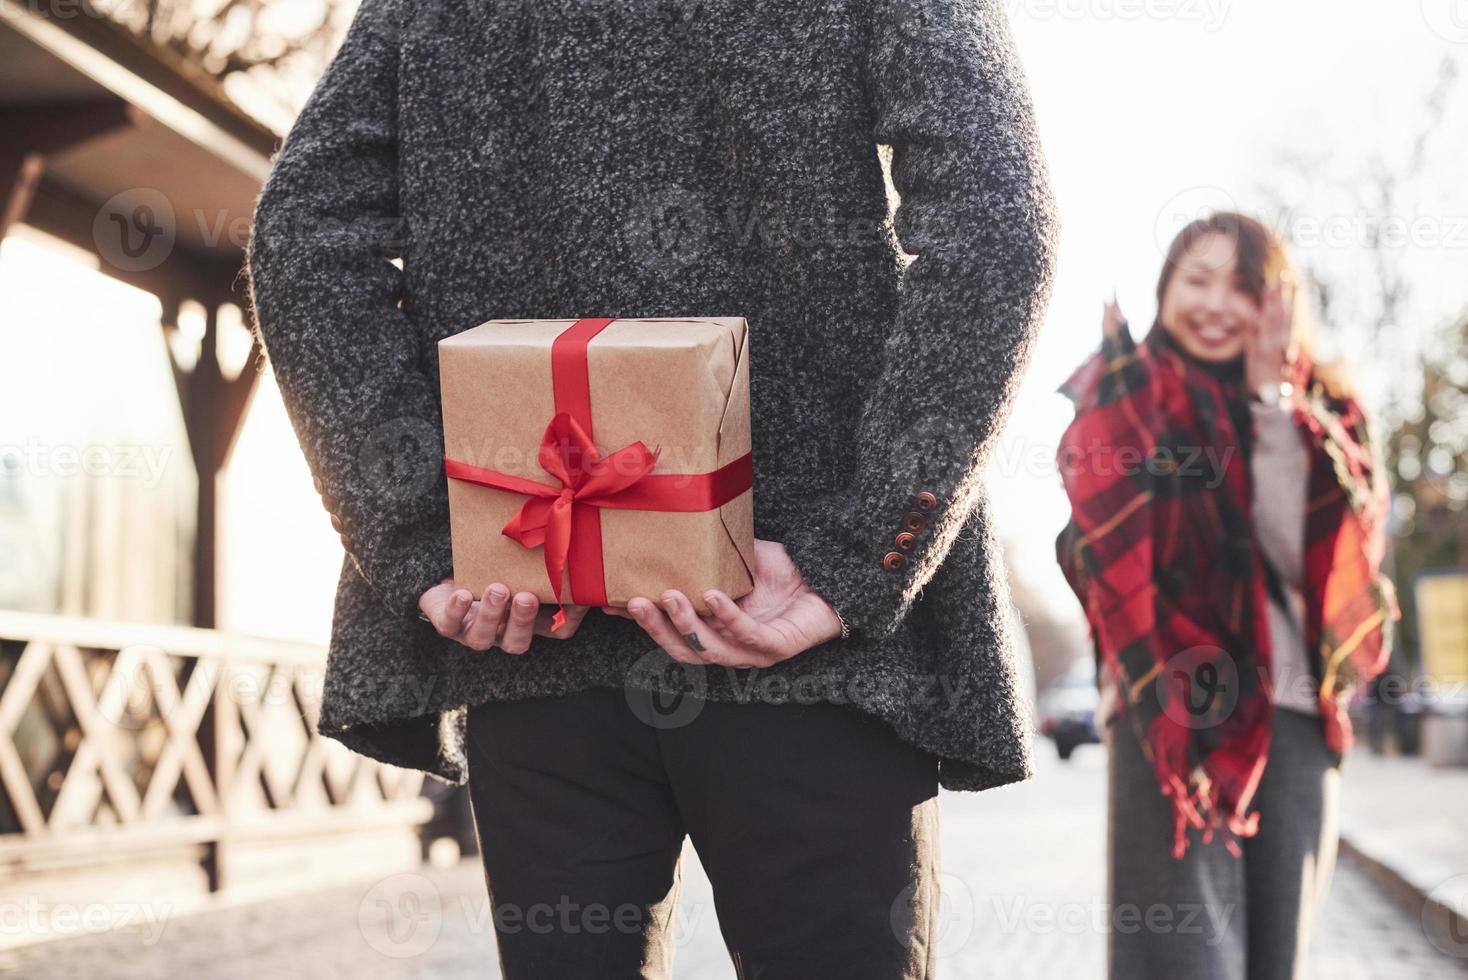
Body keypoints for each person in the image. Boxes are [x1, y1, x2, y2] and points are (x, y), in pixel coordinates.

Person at [245, 0, 1058, 976]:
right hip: (796, 622)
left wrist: (430, 538)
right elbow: (997, 226)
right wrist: (859, 550)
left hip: (530, 604)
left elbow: (301, 244)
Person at [1054, 211, 1398, 980]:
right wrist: (1123, 403)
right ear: (1164, 289)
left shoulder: (1327, 415)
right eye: (1196, 280)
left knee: (1277, 954)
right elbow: (1095, 561)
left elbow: (1313, 567)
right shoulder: (1126, 393)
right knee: (1181, 956)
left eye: (1239, 287)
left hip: (1293, 711)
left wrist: (1269, 408)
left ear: (1277, 303)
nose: (1214, 304)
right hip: (1166, 715)